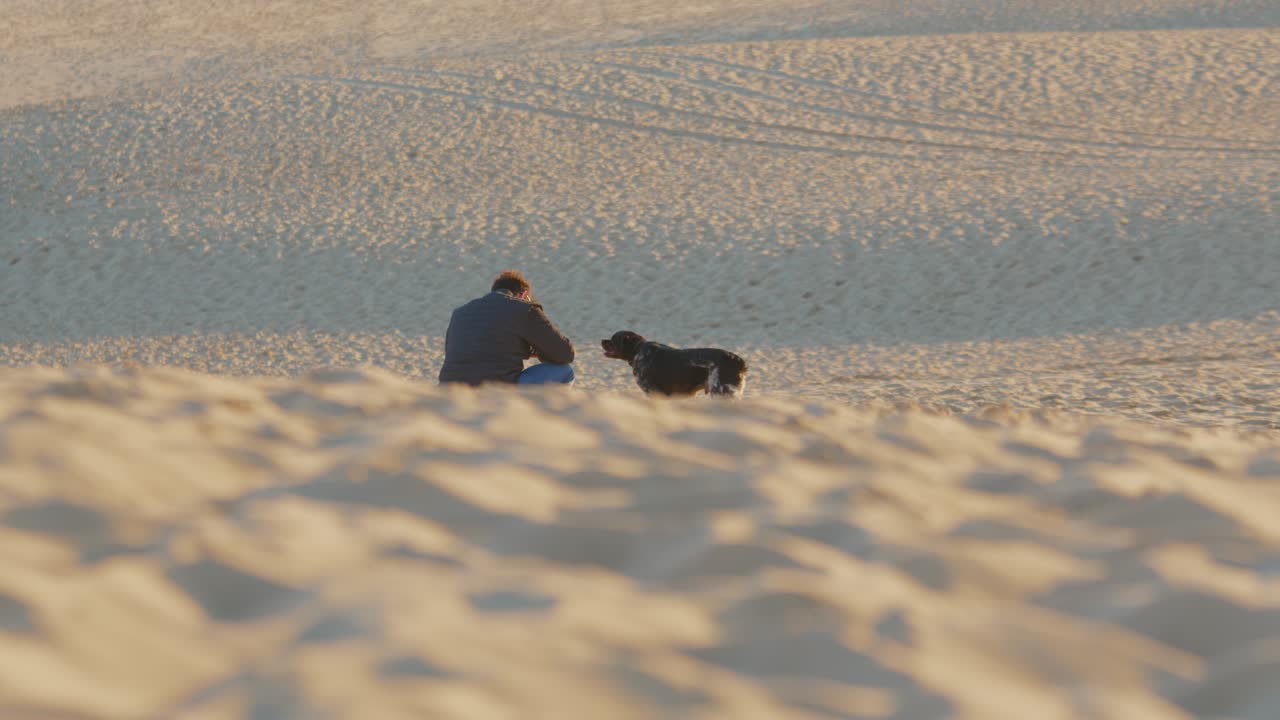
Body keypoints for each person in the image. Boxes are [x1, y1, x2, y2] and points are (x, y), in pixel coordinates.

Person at [438, 270, 576, 386]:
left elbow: (477, 349)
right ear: (523, 294)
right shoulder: (524, 308)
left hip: (450, 389)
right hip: (496, 390)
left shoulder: (460, 313)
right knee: (564, 371)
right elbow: (565, 353)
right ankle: (544, 417)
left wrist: (524, 350)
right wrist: (542, 352)